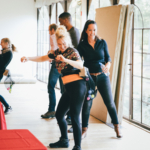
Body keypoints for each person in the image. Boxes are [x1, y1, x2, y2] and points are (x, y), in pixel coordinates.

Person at [21, 25, 86, 150]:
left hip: (78, 87)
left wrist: (66, 59)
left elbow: (80, 65)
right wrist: (28, 58)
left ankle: (77, 146)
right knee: (59, 114)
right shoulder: (56, 53)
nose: (62, 46)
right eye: (59, 44)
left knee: (75, 116)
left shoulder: (72, 51)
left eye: (63, 44)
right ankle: (64, 140)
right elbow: (43, 58)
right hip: (68, 89)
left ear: (67, 41)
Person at [77, 20, 122, 138]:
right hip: (89, 78)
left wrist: (107, 66)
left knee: (110, 103)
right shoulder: (82, 45)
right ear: (86, 30)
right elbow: (77, 60)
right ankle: (84, 130)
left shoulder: (102, 42)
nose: (92, 32)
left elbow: (108, 59)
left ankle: (117, 127)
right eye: (90, 30)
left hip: (102, 77)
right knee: (87, 104)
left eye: (94, 30)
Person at [59, 12, 80, 125]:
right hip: (65, 67)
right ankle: (67, 115)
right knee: (65, 91)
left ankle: (71, 117)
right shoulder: (67, 32)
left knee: (71, 94)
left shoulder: (74, 32)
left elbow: (76, 51)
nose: (60, 24)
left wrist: (68, 60)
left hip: (73, 68)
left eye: (61, 21)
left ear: (66, 20)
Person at [41, 23, 64, 119]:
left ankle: (51, 110)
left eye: (49, 30)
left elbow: (54, 49)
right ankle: (64, 112)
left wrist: (50, 54)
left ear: (52, 30)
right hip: (63, 64)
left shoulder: (53, 36)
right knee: (64, 90)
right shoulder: (61, 36)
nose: (48, 32)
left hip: (56, 64)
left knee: (50, 86)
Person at [0, 38, 17, 114]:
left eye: (2, 42)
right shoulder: (4, 51)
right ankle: (7, 106)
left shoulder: (9, 53)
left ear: (7, 43)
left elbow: (2, 64)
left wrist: (0, 54)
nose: (0, 44)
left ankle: (7, 106)